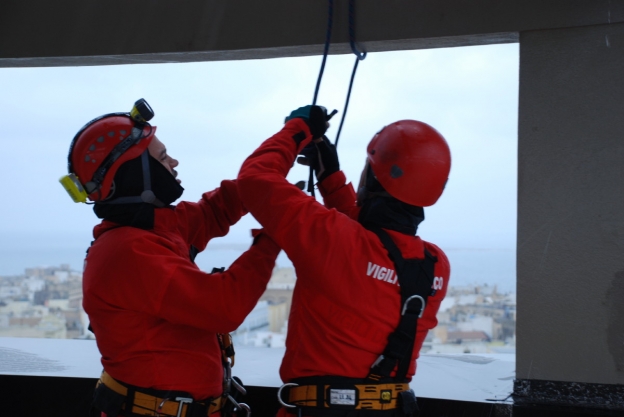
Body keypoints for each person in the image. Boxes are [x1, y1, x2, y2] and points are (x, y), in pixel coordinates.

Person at [61, 99, 280, 417]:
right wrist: (272, 238)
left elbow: (218, 209)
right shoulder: (129, 252)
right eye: (163, 157)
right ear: (138, 176)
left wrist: (288, 144)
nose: (174, 162)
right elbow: (224, 307)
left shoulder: (153, 228)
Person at [236, 105, 451, 417]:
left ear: (373, 179)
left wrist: (297, 129)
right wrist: (330, 178)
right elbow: (371, 243)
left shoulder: (336, 241)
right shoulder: (436, 265)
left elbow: (255, 179)